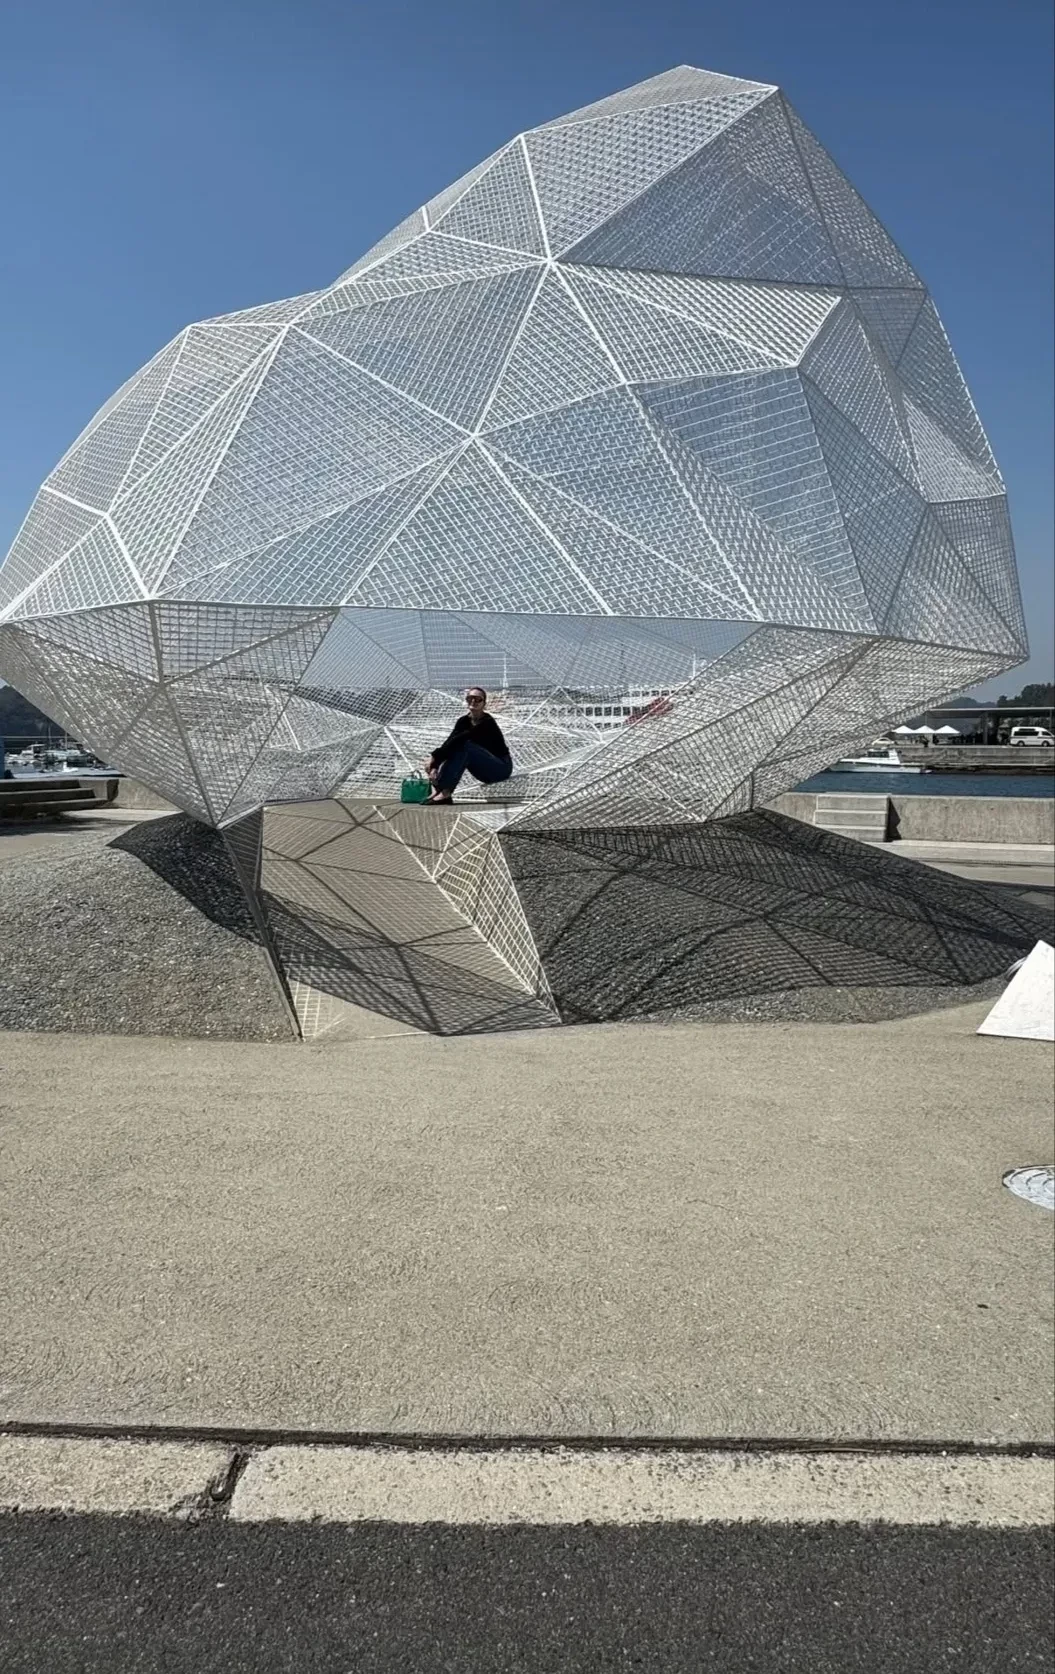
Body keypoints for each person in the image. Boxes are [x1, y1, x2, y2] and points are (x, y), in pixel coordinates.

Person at [424, 687, 512, 804]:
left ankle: (445, 791)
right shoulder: (463, 721)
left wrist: (434, 757)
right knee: (458, 748)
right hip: (481, 769)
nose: (473, 701)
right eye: (470, 698)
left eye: (478, 699)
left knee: (466, 746)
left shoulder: (487, 722)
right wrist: (435, 765)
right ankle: (441, 789)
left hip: (500, 768)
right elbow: (450, 742)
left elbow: (462, 738)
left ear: (484, 703)